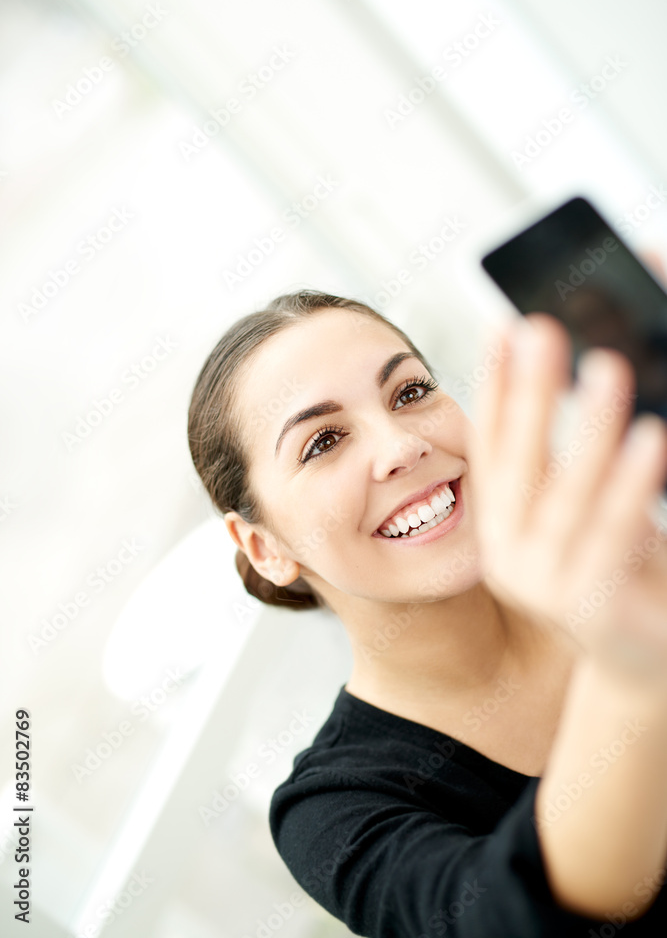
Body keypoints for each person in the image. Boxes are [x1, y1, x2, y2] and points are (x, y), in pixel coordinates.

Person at [187, 288, 667, 936]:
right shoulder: (334, 811)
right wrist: (631, 674)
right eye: (323, 441)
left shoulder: (627, 562)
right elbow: (506, 918)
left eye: (409, 393)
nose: (400, 447)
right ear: (264, 547)